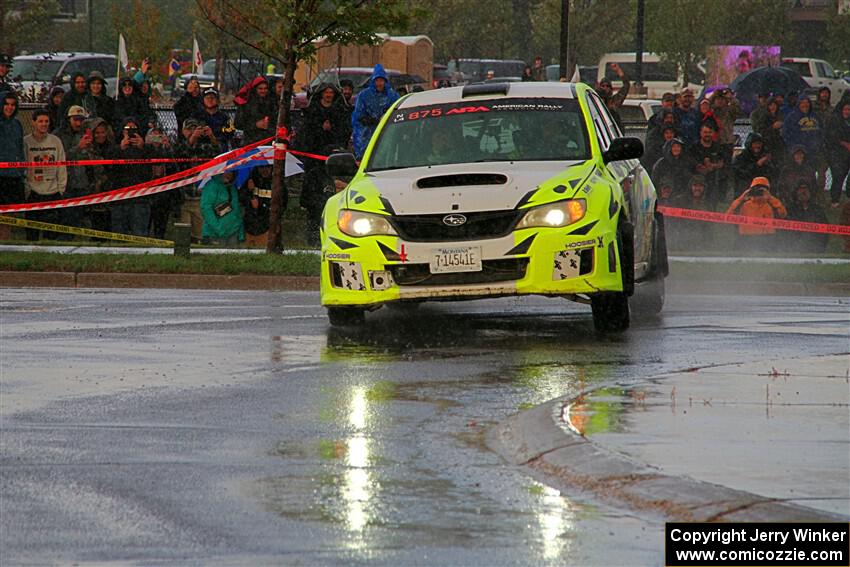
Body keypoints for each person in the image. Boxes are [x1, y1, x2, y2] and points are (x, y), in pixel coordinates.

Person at [299, 83, 350, 245]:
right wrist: (320, 129)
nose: (328, 95)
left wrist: (332, 129)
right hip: (314, 159)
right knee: (314, 200)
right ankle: (313, 237)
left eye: (331, 92)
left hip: (334, 159)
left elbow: (344, 131)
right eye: (326, 92)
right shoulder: (313, 111)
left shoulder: (339, 111)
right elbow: (307, 132)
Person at [23, 109, 68, 240]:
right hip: (33, 192)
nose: (44, 124)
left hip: (53, 192)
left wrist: (61, 188)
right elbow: (23, 166)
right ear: (33, 123)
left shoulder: (56, 141)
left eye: (46, 121)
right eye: (40, 121)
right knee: (32, 235)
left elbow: (62, 164)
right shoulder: (26, 141)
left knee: (52, 234)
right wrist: (27, 189)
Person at [173, 118, 219, 241]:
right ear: (183, 131)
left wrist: (212, 137)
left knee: (200, 234)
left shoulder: (204, 146)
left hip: (200, 196)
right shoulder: (178, 144)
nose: (192, 132)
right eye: (189, 129)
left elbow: (218, 154)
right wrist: (192, 138)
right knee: (183, 234)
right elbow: (182, 153)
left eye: (195, 129)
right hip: (183, 196)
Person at [106, 117, 152, 236]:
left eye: (134, 128)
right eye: (127, 128)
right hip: (119, 197)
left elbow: (154, 165)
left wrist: (143, 148)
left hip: (140, 198)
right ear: (122, 131)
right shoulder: (114, 148)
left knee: (139, 234)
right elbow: (109, 168)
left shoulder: (146, 148)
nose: (130, 131)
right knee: (119, 235)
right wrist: (120, 149)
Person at [53, 105, 93, 233]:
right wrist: (78, 148)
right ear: (68, 119)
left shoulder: (85, 133)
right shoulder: (58, 135)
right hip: (65, 183)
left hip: (81, 183)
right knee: (65, 218)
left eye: (81, 120)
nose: (78, 123)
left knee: (77, 218)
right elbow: (59, 158)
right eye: (75, 119)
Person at [725, 176, 787, 252]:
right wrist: (741, 198)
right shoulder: (743, 204)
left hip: (767, 239)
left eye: (762, 190)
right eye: (756, 189)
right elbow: (728, 217)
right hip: (745, 238)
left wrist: (770, 198)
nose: (759, 192)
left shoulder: (772, 204)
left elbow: (783, 214)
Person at [351, 64, 399, 159]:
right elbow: (358, 116)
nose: (379, 83)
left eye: (381, 80)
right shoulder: (364, 95)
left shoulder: (392, 96)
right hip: (367, 134)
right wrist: (371, 120)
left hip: (387, 132)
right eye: (377, 80)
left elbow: (397, 111)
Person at [782, 96, 824, 190]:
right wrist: (795, 148)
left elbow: (822, 132)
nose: (805, 105)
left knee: (814, 175)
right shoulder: (792, 117)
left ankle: (814, 195)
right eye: (802, 102)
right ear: (798, 104)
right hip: (799, 153)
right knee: (799, 175)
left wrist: (820, 145)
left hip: (815, 152)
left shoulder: (815, 116)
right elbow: (786, 134)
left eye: (807, 102)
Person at [82, 117, 115, 233]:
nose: (100, 135)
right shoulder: (88, 149)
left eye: (102, 132)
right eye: (97, 133)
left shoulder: (112, 148)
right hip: (92, 192)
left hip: (110, 193)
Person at [0, 91, 25, 241]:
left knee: (10, 214)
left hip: (14, 175)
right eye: (6, 104)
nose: (9, 107)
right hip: (1, 175)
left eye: (13, 105)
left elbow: (19, 147)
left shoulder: (17, 124)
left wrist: (21, 170)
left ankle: (6, 242)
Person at [668, 174, 715, 251]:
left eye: (700, 186)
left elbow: (709, 227)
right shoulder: (679, 201)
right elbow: (672, 222)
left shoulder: (708, 205)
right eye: (695, 185)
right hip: (682, 239)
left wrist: (708, 243)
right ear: (690, 187)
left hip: (700, 241)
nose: (697, 188)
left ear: (704, 188)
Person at [200, 170, 244, 246]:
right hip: (215, 234)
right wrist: (218, 228)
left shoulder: (233, 188)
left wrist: (240, 231)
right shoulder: (212, 186)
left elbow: (236, 211)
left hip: (233, 233)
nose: (228, 174)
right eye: (225, 171)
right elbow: (206, 209)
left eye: (231, 172)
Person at [688, 122, 727, 204]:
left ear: (713, 133)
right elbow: (690, 163)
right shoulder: (693, 147)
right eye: (705, 132)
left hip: (713, 180)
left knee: (711, 203)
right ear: (700, 133)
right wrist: (701, 167)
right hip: (697, 181)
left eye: (709, 132)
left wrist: (712, 166)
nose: (707, 134)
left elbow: (722, 163)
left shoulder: (718, 147)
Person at [785, 180, 828, 253]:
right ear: (796, 192)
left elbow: (824, 230)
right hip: (794, 247)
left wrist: (819, 247)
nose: (803, 192)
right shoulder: (790, 210)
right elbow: (786, 231)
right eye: (801, 189)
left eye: (806, 189)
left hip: (814, 246)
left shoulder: (817, 209)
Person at [240, 164, 274, 247]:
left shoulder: (276, 184)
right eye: (262, 167)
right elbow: (241, 199)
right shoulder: (251, 181)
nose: (264, 170)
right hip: (249, 226)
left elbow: (282, 204)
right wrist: (248, 190)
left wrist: (262, 205)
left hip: (267, 226)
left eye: (268, 167)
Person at [235, 77, 276, 145]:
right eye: (260, 88)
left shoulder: (272, 102)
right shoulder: (245, 104)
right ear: (255, 89)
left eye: (265, 88)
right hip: (250, 143)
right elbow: (238, 124)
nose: (263, 91)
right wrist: (255, 125)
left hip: (268, 142)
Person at [826, 101, 850, 208]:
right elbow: (832, 137)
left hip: (847, 154)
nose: (847, 112)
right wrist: (844, 144)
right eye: (845, 109)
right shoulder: (835, 121)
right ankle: (835, 199)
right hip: (837, 153)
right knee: (838, 176)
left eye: (849, 110)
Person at [751, 96, 785, 163]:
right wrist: (772, 127)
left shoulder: (780, 115)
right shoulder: (764, 117)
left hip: (779, 144)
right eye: (771, 105)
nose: (773, 107)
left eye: (774, 105)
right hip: (768, 144)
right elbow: (760, 130)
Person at [595, 63, 630, 129]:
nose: (605, 88)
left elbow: (626, 86)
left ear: (611, 89)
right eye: (603, 86)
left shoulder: (614, 101)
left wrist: (619, 72)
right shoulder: (596, 100)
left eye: (607, 86)